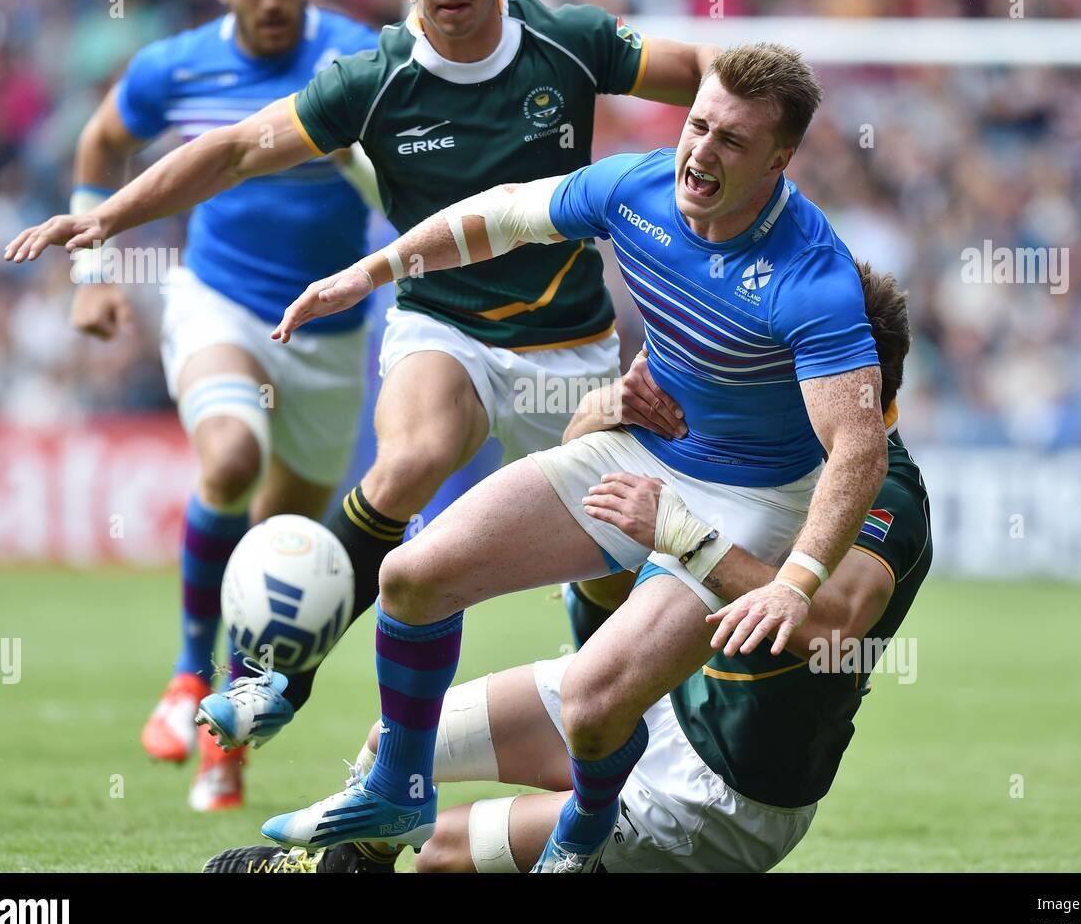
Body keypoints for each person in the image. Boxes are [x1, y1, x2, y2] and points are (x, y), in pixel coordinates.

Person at [4, 0, 719, 745]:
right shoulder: (375, 81)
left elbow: (701, 70)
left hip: (569, 347)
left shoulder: (573, 42)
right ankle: (276, 680)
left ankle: (619, 730)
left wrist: (723, 157)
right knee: (410, 461)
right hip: (439, 322)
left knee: (608, 565)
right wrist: (105, 219)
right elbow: (234, 150)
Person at [258, 42, 890, 872]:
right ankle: (398, 789)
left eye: (731, 142)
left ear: (780, 158)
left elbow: (858, 446)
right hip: (644, 453)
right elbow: (504, 213)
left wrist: (795, 581)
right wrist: (372, 272)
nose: (700, 152)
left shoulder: (812, 277)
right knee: (412, 578)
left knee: (593, 706)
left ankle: (587, 824)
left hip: (751, 502)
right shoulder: (636, 190)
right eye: (697, 124)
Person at [204, 262, 932, 874]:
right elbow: (594, 494)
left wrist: (686, 536)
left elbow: (835, 624)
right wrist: (605, 414)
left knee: (443, 856)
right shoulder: (756, 436)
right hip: (643, 697)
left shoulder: (885, 486)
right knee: (393, 744)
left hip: (721, 788)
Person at [61, 0, 379, 811]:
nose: (271, 1)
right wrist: (90, 278)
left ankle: (223, 741)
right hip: (218, 299)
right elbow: (97, 147)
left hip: (329, 330)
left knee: (281, 552)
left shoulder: (357, 53)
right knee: (230, 457)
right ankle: (181, 675)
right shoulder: (176, 65)